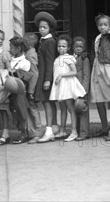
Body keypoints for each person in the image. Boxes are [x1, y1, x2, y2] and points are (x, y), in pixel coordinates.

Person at [52, 34, 86, 142]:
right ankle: (62, 130)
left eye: (63, 46)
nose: (61, 48)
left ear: (68, 48)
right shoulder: (57, 58)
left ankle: (74, 131)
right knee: (62, 109)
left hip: (66, 85)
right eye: (59, 46)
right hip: (60, 86)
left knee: (70, 108)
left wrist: (62, 75)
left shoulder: (69, 58)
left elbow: (74, 72)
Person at [34, 11, 59, 143]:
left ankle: (49, 129)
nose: (41, 30)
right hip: (42, 74)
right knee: (48, 102)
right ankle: (53, 127)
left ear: (50, 28)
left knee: (47, 102)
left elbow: (50, 61)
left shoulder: (50, 41)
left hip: (46, 76)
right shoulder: (43, 40)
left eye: (44, 27)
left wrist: (48, 79)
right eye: (40, 27)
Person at [7, 35, 35, 144]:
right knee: (15, 111)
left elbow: (24, 77)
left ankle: (24, 133)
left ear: (19, 49)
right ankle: (20, 131)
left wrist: (13, 72)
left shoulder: (25, 62)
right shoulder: (10, 60)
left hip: (20, 92)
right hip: (11, 91)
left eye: (12, 47)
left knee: (22, 112)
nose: (10, 49)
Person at [23, 32, 44, 144]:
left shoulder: (30, 55)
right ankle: (32, 132)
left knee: (33, 109)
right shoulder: (29, 53)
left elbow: (34, 73)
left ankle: (37, 132)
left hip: (31, 88)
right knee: (30, 109)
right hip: (28, 87)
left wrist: (30, 90)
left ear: (27, 43)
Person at [73, 36, 91, 141]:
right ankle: (77, 130)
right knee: (76, 109)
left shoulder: (85, 59)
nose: (78, 48)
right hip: (73, 87)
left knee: (83, 109)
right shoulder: (71, 57)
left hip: (81, 89)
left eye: (81, 46)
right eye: (76, 46)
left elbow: (86, 75)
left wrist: (84, 90)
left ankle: (84, 133)